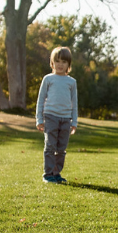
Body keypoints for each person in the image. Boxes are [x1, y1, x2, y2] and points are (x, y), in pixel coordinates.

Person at [35, 46, 79, 183]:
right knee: (50, 146)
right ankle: (48, 174)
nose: (60, 64)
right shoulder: (48, 79)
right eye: (57, 61)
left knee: (61, 148)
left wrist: (74, 122)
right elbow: (40, 99)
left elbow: (74, 103)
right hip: (50, 117)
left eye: (64, 62)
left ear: (68, 65)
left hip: (66, 119)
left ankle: (56, 173)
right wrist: (39, 118)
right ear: (52, 63)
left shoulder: (71, 82)